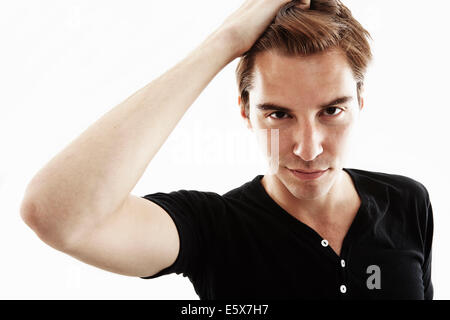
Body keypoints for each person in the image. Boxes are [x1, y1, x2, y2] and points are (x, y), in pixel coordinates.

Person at [20, 0, 433, 300]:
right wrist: (223, 42)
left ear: (360, 101)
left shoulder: (406, 201)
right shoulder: (216, 230)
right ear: (245, 111)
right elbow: (55, 214)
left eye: (331, 110)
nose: (308, 149)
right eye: (278, 115)